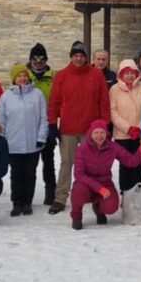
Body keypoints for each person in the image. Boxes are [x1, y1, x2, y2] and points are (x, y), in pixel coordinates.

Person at [47, 41, 111, 215]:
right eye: (75, 55)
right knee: (67, 163)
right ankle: (60, 198)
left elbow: (104, 101)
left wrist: (105, 124)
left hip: (92, 130)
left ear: (86, 57)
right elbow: (54, 102)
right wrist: (53, 123)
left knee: (93, 165)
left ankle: (95, 194)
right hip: (68, 128)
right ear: (71, 57)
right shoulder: (61, 76)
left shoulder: (96, 74)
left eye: (82, 55)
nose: (79, 58)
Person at [70, 119, 141, 230]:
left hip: (105, 182)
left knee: (111, 207)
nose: (99, 136)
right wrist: (99, 188)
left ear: (106, 134)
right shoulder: (83, 148)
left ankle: (98, 208)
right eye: (96, 133)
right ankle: (76, 217)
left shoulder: (112, 147)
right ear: (91, 134)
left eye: (102, 132)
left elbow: (131, 161)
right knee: (78, 192)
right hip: (86, 184)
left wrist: (140, 152)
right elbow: (79, 174)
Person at [0, 64, 48, 216]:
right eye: (19, 76)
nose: (22, 78)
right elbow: (1, 121)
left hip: (33, 143)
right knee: (16, 174)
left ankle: (27, 202)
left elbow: (43, 118)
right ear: (14, 78)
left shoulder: (37, 94)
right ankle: (17, 202)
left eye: (25, 75)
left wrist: (41, 137)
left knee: (30, 174)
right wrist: (2, 141)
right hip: (13, 144)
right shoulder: (6, 97)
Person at [109, 59, 141, 193]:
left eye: (132, 72)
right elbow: (113, 111)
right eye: (126, 73)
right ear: (121, 75)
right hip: (122, 134)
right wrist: (128, 128)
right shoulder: (114, 89)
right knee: (125, 164)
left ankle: (137, 191)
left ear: (137, 73)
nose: (130, 75)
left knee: (139, 164)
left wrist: (140, 127)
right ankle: (125, 192)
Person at [27, 43, 58, 206]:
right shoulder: (24, 76)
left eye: (41, 58)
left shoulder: (53, 76)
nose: (38, 61)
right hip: (30, 124)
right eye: (35, 58)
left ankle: (50, 192)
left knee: (49, 160)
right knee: (30, 161)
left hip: (49, 123)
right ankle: (27, 195)